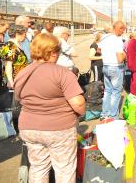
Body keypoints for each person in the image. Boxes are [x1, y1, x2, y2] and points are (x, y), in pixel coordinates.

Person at [14, 33, 85, 183]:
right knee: (64, 169)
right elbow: (78, 103)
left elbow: (18, 99)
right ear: (53, 53)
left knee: (38, 167)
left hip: (29, 128)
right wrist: (80, 113)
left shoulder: (22, 73)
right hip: (59, 129)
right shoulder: (62, 73)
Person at [98, 21, 126, 120]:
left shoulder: (104, 37)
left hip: (105, 66)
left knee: (107, 91)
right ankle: (113, 116)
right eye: (123, 29)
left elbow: (99, 50)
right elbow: (120, 59)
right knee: (116, 92)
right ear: (119, 28)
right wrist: (125, 54)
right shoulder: (117, 40)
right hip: (116, 68)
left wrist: (108, 53)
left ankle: (104, 114)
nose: (123, 32)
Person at [0, 24, 29, 88]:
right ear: (17, 34)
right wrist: (11, 82)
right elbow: (8, 65)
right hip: (13, 80)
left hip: (18, 79)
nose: (25, 36)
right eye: (24, 34)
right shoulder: (10, 46)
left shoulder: (15, 45)